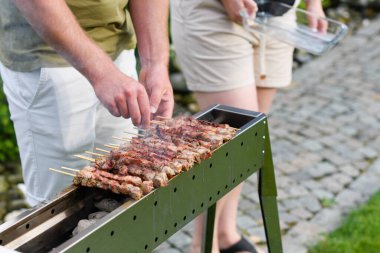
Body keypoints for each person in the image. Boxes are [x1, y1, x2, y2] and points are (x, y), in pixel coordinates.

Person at [170, 0, 326, 252]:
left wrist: (313, 3)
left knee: (247, 142)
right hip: (213, 11)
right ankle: (203, 246)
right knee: (232, 141)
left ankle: (225, 233)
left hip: (278, 13)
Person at [0, 0, 174, 206]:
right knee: (58, 206)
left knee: (120, 195)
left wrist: (155, 63)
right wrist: (102, 72)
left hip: (119, 49)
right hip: (48, 57)